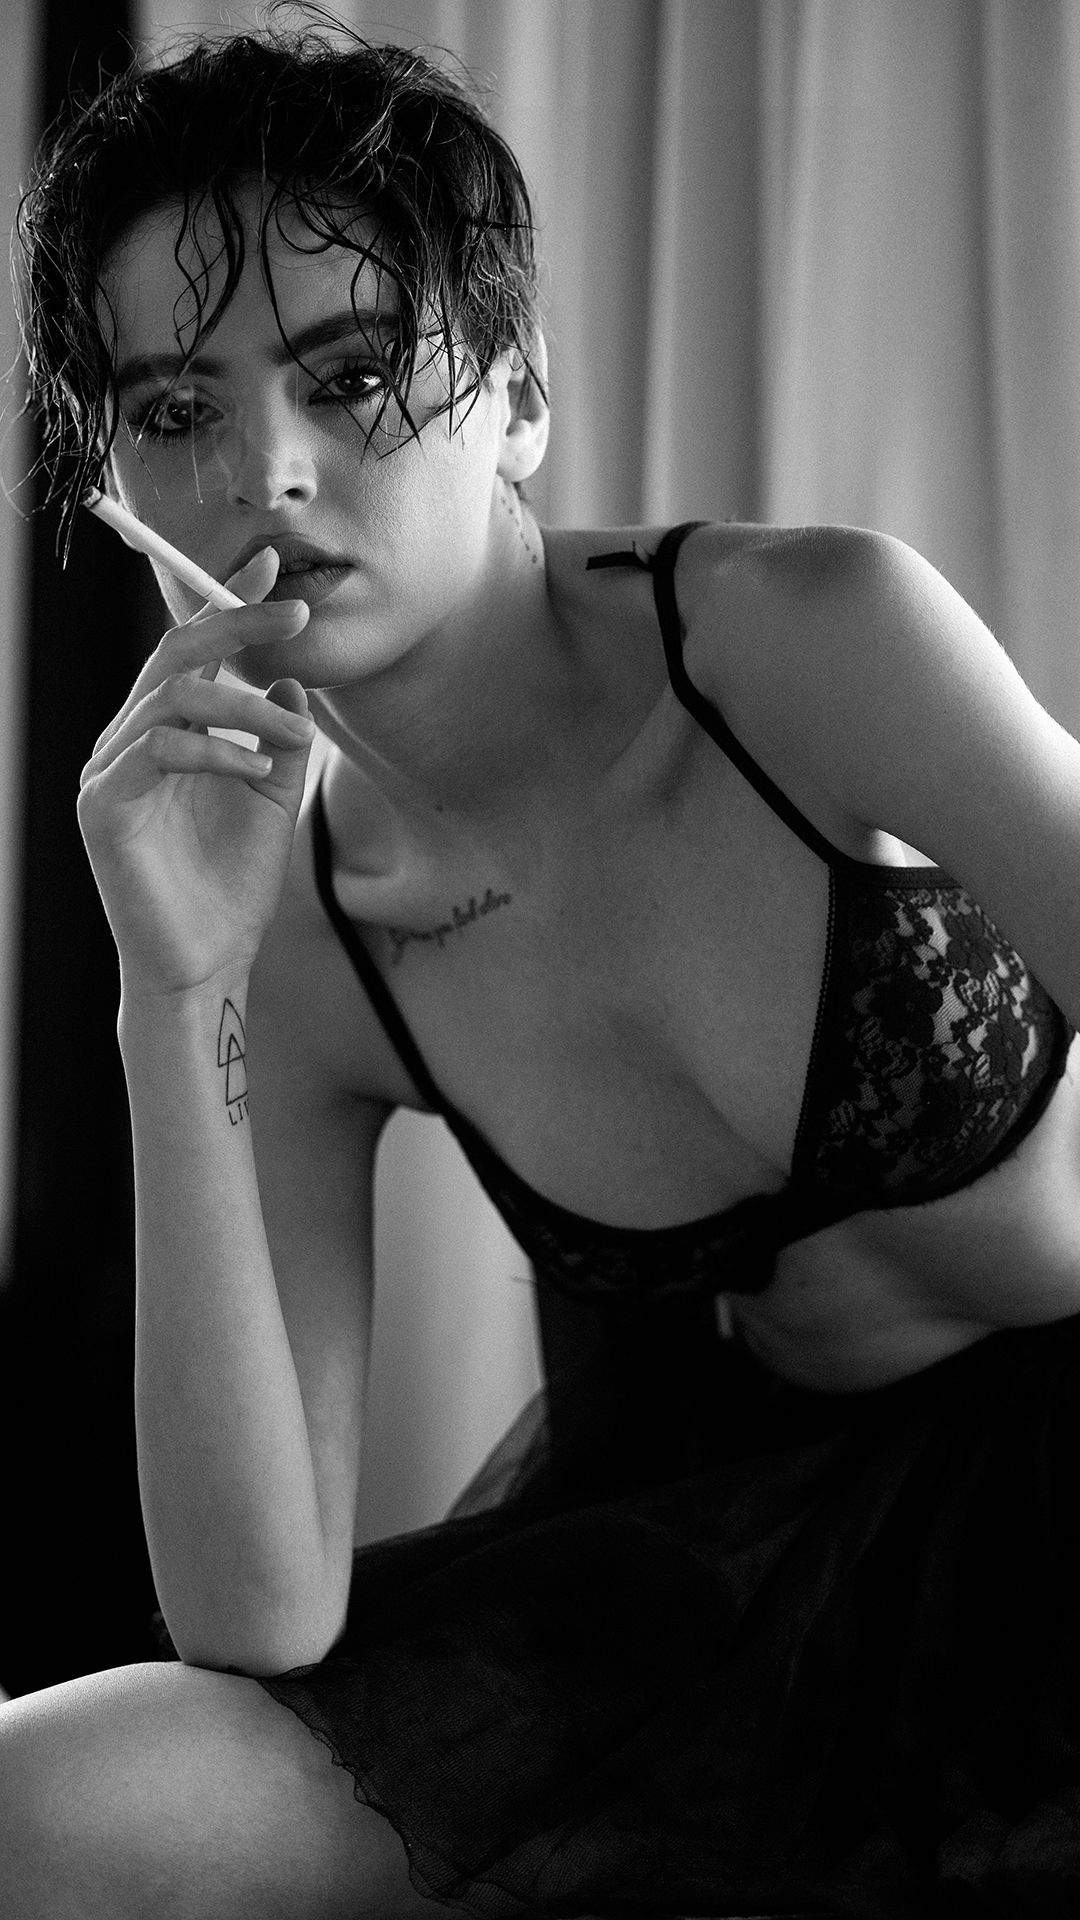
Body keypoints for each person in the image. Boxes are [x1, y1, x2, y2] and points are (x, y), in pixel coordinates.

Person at [4, 10, 1080, 1918]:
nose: (267, 472)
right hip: (737, 1576)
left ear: (517, 396)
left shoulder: (802, 640)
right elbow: (259, 1610)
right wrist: (173, 993)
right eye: (175, 412)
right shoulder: (302, 924)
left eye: (351, 377)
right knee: (40, 1802)